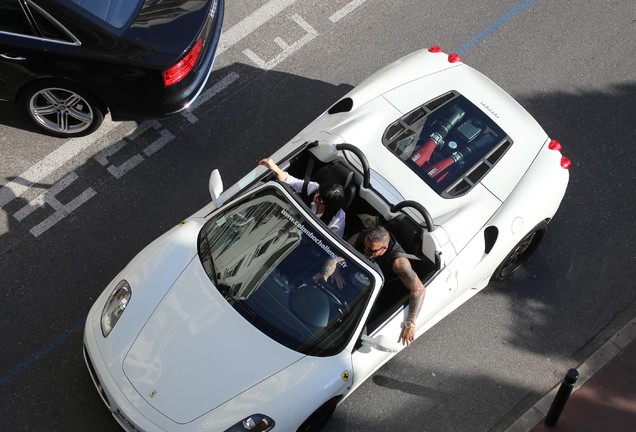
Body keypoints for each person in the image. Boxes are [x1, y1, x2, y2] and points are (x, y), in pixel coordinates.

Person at [318, 225, 426, 346]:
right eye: (365, 246)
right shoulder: (359, 238)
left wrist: (410, 323)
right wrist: (330, 273)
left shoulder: (399, 264)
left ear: (384, 249)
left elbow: (418, 289)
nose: (365, 250)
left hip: (374, 297)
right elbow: (336, 256)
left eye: (370, 250)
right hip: (351, 283)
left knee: (354, 328)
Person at [259, 157, 346, 237]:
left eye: (319, 199)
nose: (315, 197)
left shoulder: (337, 220)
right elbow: (290, 181)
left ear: (328, 205)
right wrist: (274, 168)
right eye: (317, 192)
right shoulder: (314, 187)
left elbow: (329, 242)